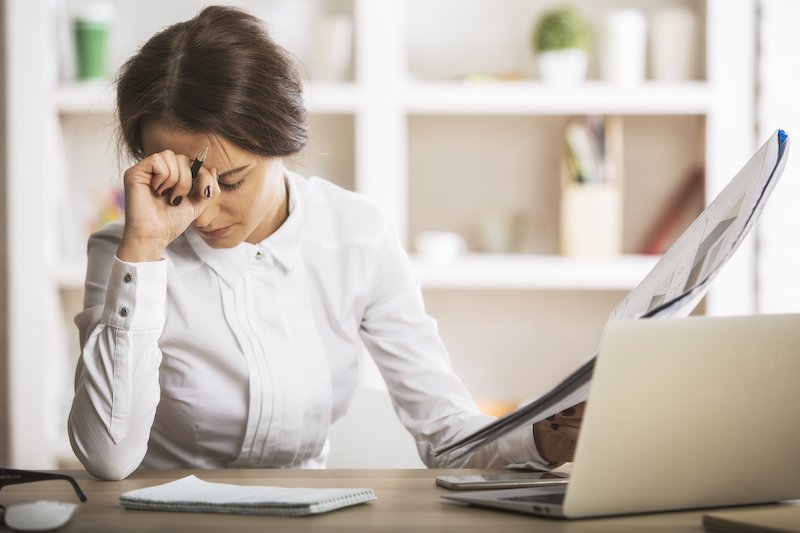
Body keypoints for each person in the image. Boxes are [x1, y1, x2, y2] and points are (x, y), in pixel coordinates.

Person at [68, 5, 584, 481]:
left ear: (283, 144)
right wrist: (145, 250)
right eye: (180, 186)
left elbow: (448, 437)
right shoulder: (124, 250)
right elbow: (109, 458)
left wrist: (542, 439)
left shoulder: (356, 236)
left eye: (230, 182)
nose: (204, 211)